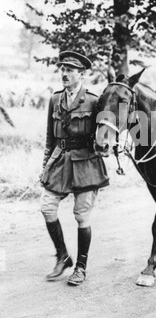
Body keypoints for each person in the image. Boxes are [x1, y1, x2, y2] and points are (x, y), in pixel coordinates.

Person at [40, 51, 109, 287]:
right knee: (47, 206)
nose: (65, 74)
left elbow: (106, 134)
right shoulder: (54, 99)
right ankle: (63, 257)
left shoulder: (94, 100)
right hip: (60, 162)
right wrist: (45, 166)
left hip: (86, 163)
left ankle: (80, 267)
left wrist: (105, 144)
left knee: (81, 215)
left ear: (81, 74)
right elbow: (50, 136)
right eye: (63, 69)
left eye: (70, 70)